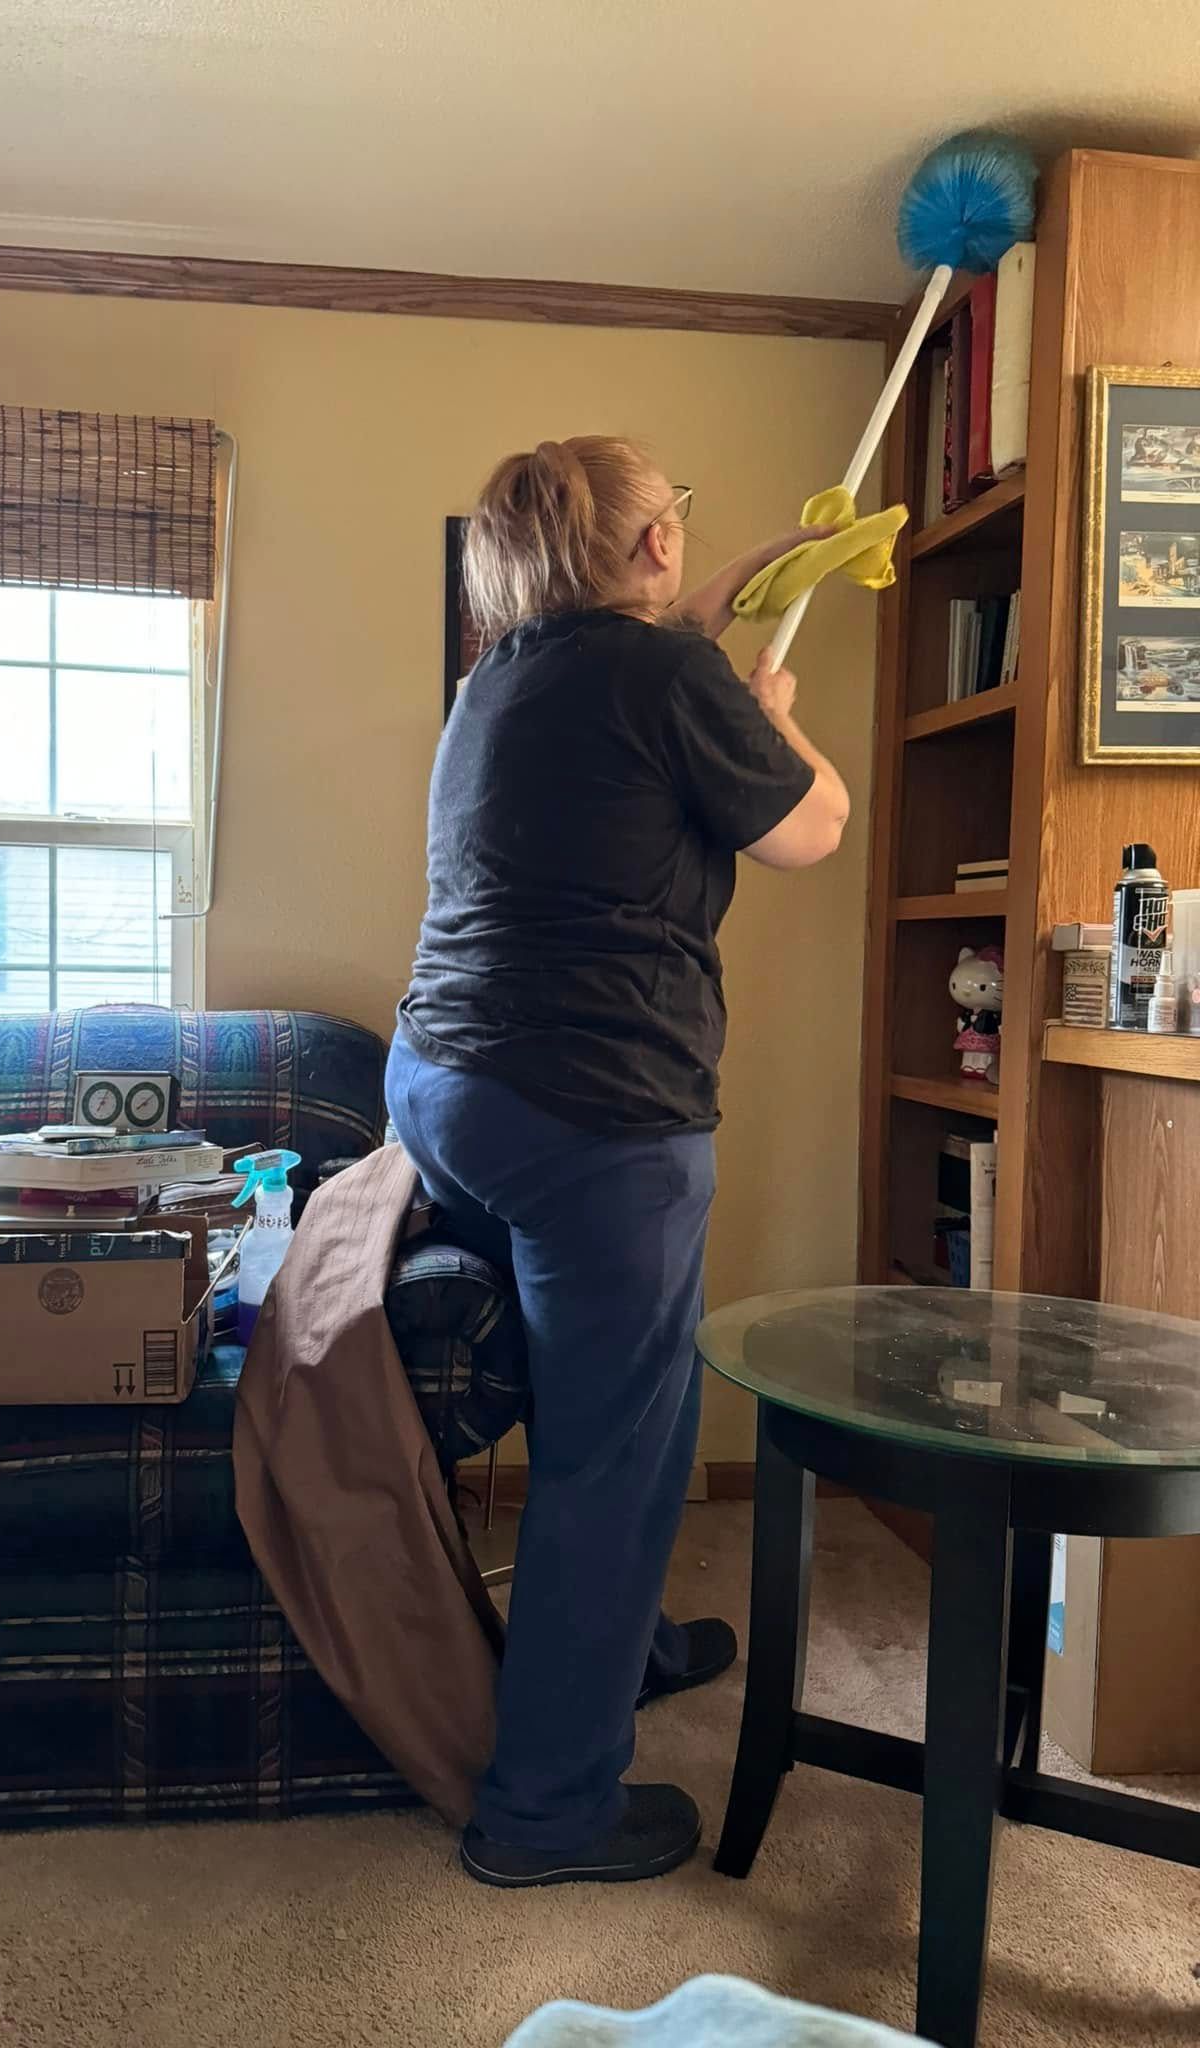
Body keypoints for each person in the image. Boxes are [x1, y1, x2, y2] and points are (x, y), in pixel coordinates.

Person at [387, 436, 850, 1889]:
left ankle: (627, 1650)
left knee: (586, 1407)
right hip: (593, 1115)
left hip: (445, 1092)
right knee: (619, 1455)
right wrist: (777, 719)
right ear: (648, 546)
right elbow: (813, 830)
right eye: (680, 527)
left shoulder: (500, 684)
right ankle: (546, 1815)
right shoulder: (672, 683)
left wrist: (727, 612)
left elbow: (657, 660)